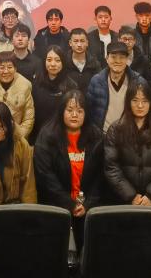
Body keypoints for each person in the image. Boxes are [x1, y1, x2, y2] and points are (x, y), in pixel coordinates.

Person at [34, 89, 104, 249]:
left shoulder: (97, 137)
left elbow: (100, 177)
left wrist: (88, 204)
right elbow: (46, 177)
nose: (74, 115)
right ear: (61, 112)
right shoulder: (47, 136)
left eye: (80, 111)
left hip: (88, 209)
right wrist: (69, 203)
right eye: (70, 110)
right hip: (56, 207)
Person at [103, 82, 151, 207]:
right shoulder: (115, 130)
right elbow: (111, 168)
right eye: (135, 100)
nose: (140, 105)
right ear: (128, 102)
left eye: (145, 101)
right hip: (123, 200)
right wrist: (131, 196)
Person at [87, 41, 146, 131]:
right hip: (102, 134)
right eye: (113, 57)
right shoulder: (96, 81)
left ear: (127, 59)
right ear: (107, 58)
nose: (117, 61)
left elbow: (147, 110)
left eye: (122, 57)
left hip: (130, 133)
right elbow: (89, 110)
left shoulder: (138, 81)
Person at [0, 52, 35, 140]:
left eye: (10, 67)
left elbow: (29, 118)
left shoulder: (25, 86)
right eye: (2, 67)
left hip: (18, 138)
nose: (6, 71)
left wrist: (18, 136)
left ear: (15, 68)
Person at [31, 47, 78, 140]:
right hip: (38, 135)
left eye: (57, 60)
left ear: (63, 63)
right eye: (49, 60)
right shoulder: (36, 83)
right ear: (44, 62)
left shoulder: (71, 86)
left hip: (62, 136)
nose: (53, 64)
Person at [65, 28, 102, 92]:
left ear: (87, 43)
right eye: (76, 41)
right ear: (70, 43)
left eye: (82, 41)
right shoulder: (64, 62)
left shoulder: (94, 63)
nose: (79, 45)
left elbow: (99, 85)